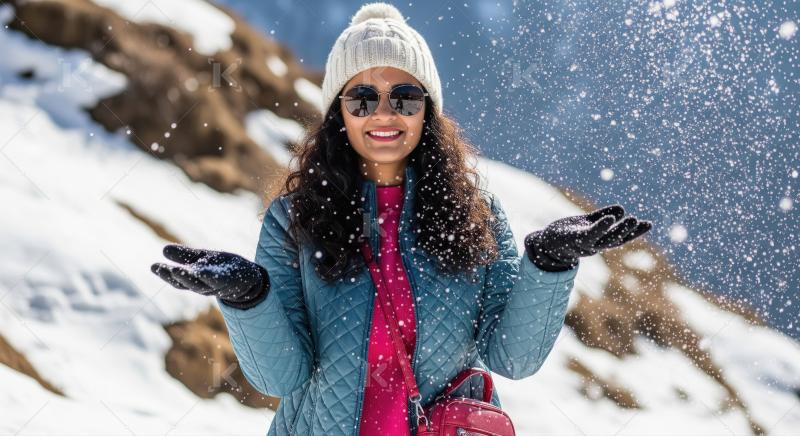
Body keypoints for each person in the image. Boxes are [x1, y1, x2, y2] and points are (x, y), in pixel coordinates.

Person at [150, 3, 652, 435]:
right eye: (362, 98)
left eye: (405, 98)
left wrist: (548, 265)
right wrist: (248, 297)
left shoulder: (474, 213)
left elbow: (511, 359)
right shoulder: (294, 218)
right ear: (337, 113)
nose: (383, 114)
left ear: (427, 110)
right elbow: (281, 378)